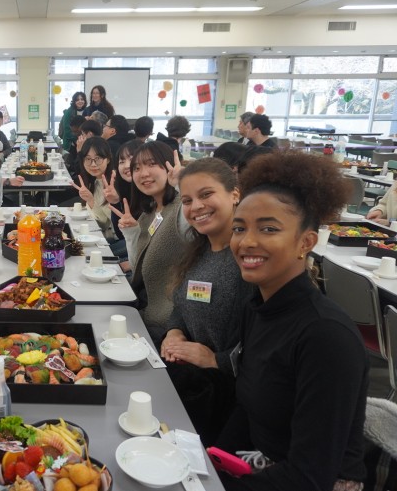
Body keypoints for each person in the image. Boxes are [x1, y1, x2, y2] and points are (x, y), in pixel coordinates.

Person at [217, 151, 368, 491]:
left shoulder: (326, 336)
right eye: (239, 228)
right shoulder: (257, 308)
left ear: (306, 242)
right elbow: (247, 409)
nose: (247, 242)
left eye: (268, 229)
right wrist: (211, 462)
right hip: (264, 466)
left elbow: (310, 476)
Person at [159, 157, 253, 445]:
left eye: (206, 194)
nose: (196, 207)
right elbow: (182, 303)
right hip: (192, 379)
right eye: (187, 201)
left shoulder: (250, 259)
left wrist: (217, 360)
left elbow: (264, 339)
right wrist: (175, 331)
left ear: (235, 194)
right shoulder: (199, 251)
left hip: (225, 399)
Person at [111, 140, 186, 345]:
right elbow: (137, 266)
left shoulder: (181, 209)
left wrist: (182, 185)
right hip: (141, 306)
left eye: (152, 164)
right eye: (137, 168)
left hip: (167, 324)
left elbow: (194, 213)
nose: (143, 173)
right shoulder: (150, 212)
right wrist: (131, 234)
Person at [72, 137, 117, 243]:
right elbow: (102, 223)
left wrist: (91, 201)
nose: (93, 164)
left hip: (116, 239)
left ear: (108, 159)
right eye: (88, 159)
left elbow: (107, 223)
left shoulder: (114, 181)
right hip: (102, 235)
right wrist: (90, 200)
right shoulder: (94, 181)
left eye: (98, 158)